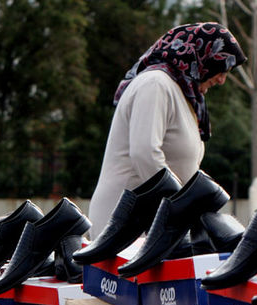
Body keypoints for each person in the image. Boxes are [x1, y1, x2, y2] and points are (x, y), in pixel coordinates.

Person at [87, 22, 246, 238]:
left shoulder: (185, 95)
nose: (222, 79)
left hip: (156, 220)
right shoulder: (155, 84)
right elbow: (145, 154)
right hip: (126, 223)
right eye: (221, 68)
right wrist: (183, 206)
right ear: (201, 57)